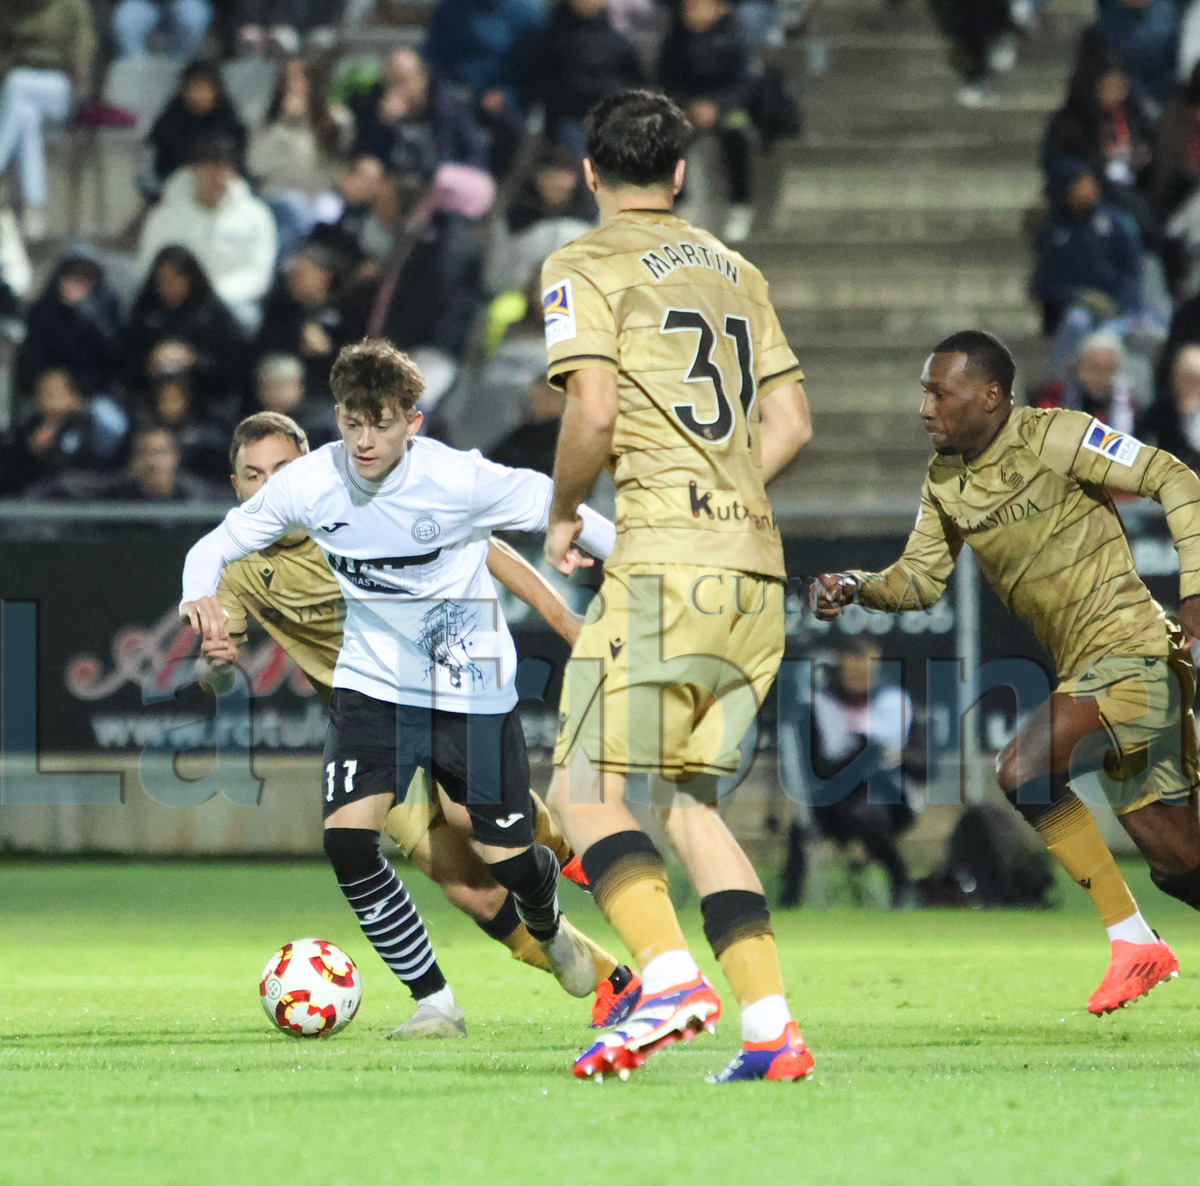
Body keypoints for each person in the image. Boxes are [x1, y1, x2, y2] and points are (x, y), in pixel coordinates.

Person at [179, 341, 623, 1039]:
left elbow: (545, 512)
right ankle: (438, 1003)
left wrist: (631, 569)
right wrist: (198, 607)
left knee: (499, 855)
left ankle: (561, 906)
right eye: (352, 425)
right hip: (372, 685)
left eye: (379, 426)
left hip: (465, 677)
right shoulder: (302, 495)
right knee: (356, 846)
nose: (363, 441)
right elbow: (210, 553)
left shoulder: (456, 480)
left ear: (411, 423)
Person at [539, 90, 815, 1082]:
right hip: (756, 570)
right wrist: (724, 492)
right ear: (683, 173)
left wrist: (566, 511)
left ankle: (664, 976)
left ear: (588, 170)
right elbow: (791, 425)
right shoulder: (739, 270)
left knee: (580, 786)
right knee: (694, 807)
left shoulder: (583, 262)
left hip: (664, 563)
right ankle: (771, 1027)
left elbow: (596, 408)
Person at [812, 329, 1200, 1015]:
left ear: (990, 396)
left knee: (1022, 767)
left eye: (940, 392)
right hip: (1089, 662)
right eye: (923, 393)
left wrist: (1195, 589)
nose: (925, 408)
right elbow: (919, 582)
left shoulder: (1055, 435)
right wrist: (855, 584)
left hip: (1132, 646)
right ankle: (1139, 933)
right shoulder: (943, 482)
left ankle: (1133, 943)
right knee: (1176, 860)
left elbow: (1175, 476)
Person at [137, 135, 278, 330]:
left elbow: (259, 272)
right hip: (174, 302)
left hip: (231, 305)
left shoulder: (255, 216)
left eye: (224, 170)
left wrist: (215, 297)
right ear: (194, 170)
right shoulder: (164, 216)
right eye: (210, 170)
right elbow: (148, 265)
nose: (218, 179)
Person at [657, 0, 755, 243]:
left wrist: (717, 106)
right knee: (668, 137)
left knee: (738, 134)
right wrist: (689, 105)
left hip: (726, 108)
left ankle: (739, 203)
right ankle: (679, 202)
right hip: (684, 108)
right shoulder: (673, 41)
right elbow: (666, 81)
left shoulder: (734, 40)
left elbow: (742, 83)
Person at [0, 0, 96, 241]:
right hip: (19, 96)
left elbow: (85, 47)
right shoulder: (11, 7)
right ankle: (34, 206)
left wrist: (81, 90)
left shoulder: (73, 5)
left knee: (17, 82)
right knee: (26, 116)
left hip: (60, 88)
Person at [123, 244, 249, 418]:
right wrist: (149, 362)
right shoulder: (146, 310)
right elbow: (126, 360)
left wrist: (194, 361)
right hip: (150, 403)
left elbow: (235, 364)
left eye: (176, 279)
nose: (169, 286)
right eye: (163, 280)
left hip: (205, 403)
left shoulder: (211, 312)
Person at [15, 249, 122, 400]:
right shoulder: (41, 313)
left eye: (85, 280)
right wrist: (49, 381)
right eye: (73, 278)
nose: (78, 286)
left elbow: (110, 364)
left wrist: (77, 390)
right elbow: (29, 361)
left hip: (90, 395)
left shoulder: (105, 316)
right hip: (45, 395)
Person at [146, 59, 247, 195]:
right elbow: (161, 165)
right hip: (175, 190)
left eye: (205, 88)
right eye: (195, 87)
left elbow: (237, 162)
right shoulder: (169, 123)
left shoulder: (230, 122)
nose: (200, 95)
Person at [111, 0, 213, 61]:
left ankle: (185, 70)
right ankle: (136, 69)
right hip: (144, 3)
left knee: (196, 15)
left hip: (182, 3)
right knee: (127, 18)